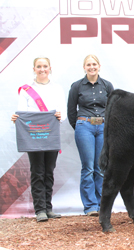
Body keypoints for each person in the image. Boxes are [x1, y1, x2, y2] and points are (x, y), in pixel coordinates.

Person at [11, 57, 66, 222]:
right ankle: (40, 210)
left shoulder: (57, 88)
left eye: (45, 66)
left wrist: (59, 115)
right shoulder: (26, 90)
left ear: (50, 68)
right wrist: (17, 118)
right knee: (37, 172)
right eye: (39, 66)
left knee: (49, 171)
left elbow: (61, 111)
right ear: (34, 69)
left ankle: (48, 208)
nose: (42, 69)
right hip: (33, 135)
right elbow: (22, 112)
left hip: (51, 134)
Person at [67, 55, 114, 216]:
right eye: (88, 64)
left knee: (101, 167)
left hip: (102, 127)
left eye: (94, 64)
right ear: (84, 67)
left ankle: (103, 205)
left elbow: (113, 108)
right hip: (84, 126)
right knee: (87, 167)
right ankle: (90, 206)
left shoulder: (107, 86)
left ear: (99, 66)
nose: (91, 67)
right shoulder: (77, 86)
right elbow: (71, 111)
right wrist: (80, 126)